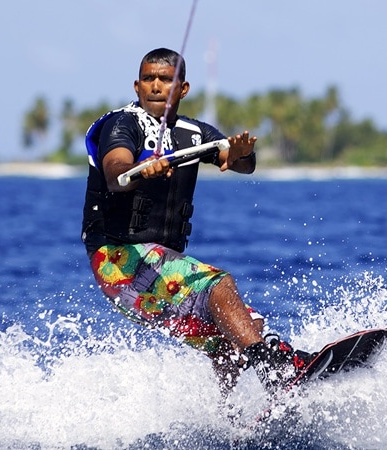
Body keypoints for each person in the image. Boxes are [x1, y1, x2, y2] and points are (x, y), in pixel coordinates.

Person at [81, 48, 311, 396]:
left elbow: (240, 163)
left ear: (182, 88)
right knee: (218, 286)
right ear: (137, 85)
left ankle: (228, 423)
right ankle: (274, 371)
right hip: (117, 260)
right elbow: (116, 172)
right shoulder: (122, 124)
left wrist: (240, 154)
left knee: (238, 331)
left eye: (165, 79)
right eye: (148, 79)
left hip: (154, 269)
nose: (156, 86)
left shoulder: (192, 132)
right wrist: (142, 170)